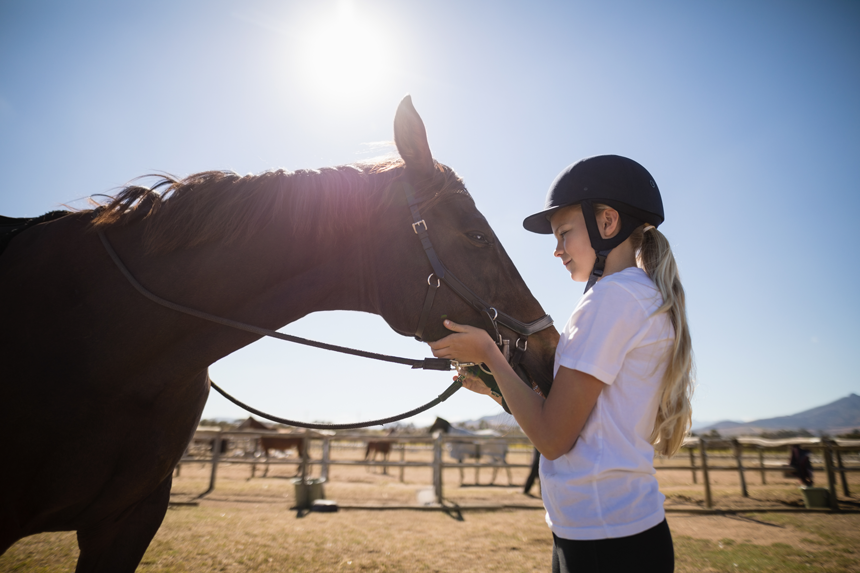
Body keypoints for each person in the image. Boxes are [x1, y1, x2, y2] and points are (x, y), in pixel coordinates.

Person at [429, 155, 694, 573]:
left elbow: (553, 440)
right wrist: (496, 387)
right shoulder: (639, 297)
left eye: (564, 234)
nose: (556, 251)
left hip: (604, 542)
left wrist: (489, 354)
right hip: (610, 533)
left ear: (608, 223)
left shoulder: (610, 300)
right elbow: (575, 420)